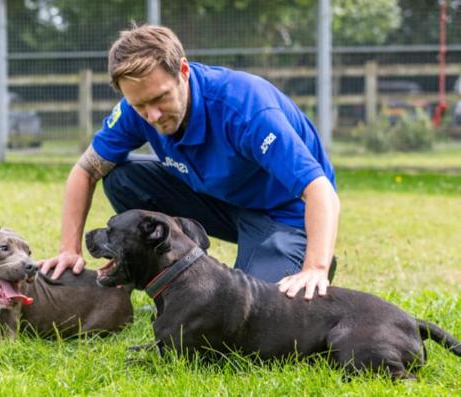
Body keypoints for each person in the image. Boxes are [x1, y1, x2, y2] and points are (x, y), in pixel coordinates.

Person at [38, 24, 340, 301]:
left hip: (282, 216)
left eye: (160, 98)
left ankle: (300, 254)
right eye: (139, 104)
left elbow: (320, 191)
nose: (152, 115)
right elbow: (86, 170)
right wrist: (69, 250)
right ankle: (170, 276)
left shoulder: (246, 108)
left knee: (243, 307)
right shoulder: (136, 109)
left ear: (183, 70)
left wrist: (315, 265)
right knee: (122, 179)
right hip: (220, 202)